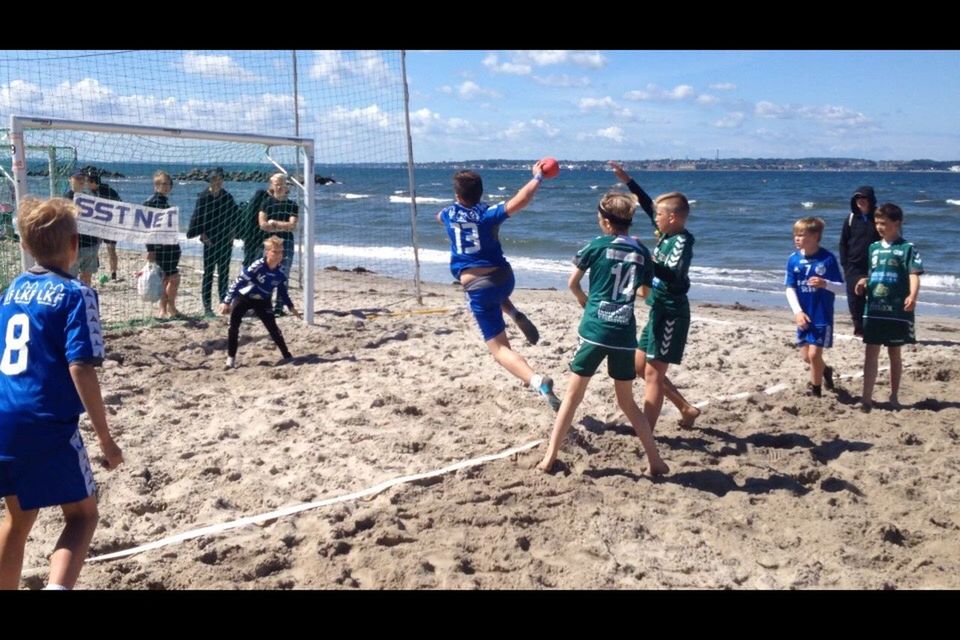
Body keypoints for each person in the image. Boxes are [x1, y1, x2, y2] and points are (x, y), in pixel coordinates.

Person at [0, 197, 123, 590]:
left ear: (24, 245)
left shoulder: (12, 289)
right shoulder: (76, 294)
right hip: (46, 423)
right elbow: (81, 366)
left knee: (19, 520)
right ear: (74, 245)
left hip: (4, 418)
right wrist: (106, 440)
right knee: (83, 516)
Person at [536, 193, 669, 476]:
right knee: (627, 401)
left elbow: (572, 282)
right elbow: (646, 293)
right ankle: (655, 460)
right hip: (624, 333)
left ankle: (549, 458)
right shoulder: (642, 252)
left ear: (606, 222)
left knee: (572, 397)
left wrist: (583, 299)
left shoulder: (595, 246)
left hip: (595, 330)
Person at [436, 161, 561, 411]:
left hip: (479, 288)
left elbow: (439, 216)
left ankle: (538, 381)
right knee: (495, 292)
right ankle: (513, 312)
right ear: (480, 193)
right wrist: (538, 177)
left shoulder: (448, 214)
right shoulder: (488, 214)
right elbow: (521, 199)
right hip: (505, 279)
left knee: (499, 349)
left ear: (457, 195)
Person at [609, 161, 700, 430]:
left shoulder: (682, 241)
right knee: (640, 366)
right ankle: (686, 408)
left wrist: (644, 254)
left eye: (660, 215)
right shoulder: (665, 232)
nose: (654, 218)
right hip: (657, 308)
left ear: (672, 218)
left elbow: (673, 273)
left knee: (653, 374)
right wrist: (628, 181)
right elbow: (650, 205)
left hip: (672, 312)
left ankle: (645, 431)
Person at [855, 203, 923, 412]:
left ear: (897, 223)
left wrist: (912, 295)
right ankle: (866, 398)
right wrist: (863, 282)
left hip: (896, 310)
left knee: (895, 353)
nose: (879, 227)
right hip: (874, 307)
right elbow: (874, 272)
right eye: (877, 223)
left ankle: (894, 396)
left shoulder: (906, 248)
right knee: (871, 353)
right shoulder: (873, 248)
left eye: (884, 223)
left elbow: (913, 274)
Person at [784, 217, 844, 397]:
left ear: (815, 236)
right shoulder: (793, 259)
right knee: (805, 357)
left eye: (801, 235)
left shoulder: (827, 259)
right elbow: (790, 288)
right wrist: (797, 312)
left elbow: (841, 287)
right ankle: (825, 371)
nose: (797, 238)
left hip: (821, 316)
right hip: (803, 316)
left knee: (814, 355)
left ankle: (816, 391)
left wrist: (825, 284)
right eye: (795, 235)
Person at [220, 236, 299, 368]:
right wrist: (226, 302)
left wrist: (290, 306)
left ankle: (287, 355)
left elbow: (282, 291)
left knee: (273, 329)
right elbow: (239, 282)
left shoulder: (280, 271)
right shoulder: (257, 266)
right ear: (267, 252)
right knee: (233, 327)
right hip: (244, 297)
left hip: (263, 300)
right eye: (275, 251)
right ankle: (230, 359)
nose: (279, 255)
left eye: (281, 252)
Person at [187, 168, 239, 316]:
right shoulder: (203, 197)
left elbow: (236, 217)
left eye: (220, 179)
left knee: (224, 273)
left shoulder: (227, 197)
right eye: (215, 179)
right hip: (209, 241)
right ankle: (207, 307)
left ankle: (224, 302)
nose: (218, 181)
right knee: (208, 274)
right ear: (210, 180)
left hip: (225, 241)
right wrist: (202, 234)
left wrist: (233, 234)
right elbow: (197, 217)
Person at [839, 186, 881, 337]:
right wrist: (845, 264)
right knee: (854, 298)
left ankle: (873, 325)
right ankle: (859, 328)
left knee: (875, 295)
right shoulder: (850, 219)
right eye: (857, 198)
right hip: (853, 266)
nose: (860, 201)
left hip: (874, 265)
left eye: (864, 198)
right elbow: (843, 242)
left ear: (870, 199)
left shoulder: (878, 218)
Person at [258, 174, 298, 315]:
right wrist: (281, 226)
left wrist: (274, 223)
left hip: (286, 243)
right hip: (269, 244)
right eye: (276, 184)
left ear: (286, 185)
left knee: (283, 276)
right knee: (267, 274)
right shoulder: (266, 203)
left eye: (282, 184)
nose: (279, 187)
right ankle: (266, 306)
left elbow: (292, 225)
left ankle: (279, 308)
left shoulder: (292, 205)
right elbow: (262, 224)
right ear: (271, 185)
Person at [143, 170, 182, 318]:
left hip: (171, 246)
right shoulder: (151, 202)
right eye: (162, 184)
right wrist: (150, 249)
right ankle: (168, 308)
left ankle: (165, 309)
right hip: (161, 248)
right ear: (155, 186)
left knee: (168, 278)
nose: (165, 187)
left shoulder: (165, 203)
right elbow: (146, 229)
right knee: (172, 278)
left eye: (167, 184)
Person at [63, 171, 100, 286]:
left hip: (91, 244)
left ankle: (84, 297)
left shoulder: (92, 196)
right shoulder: (66, 198)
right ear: (70, 179)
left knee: (87, 278)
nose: (80, 180)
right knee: (70, 278)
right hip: (73, 246)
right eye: (77, 178)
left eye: (82, 178)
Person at [85, 172, 121, 281]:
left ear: (93, 182)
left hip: (110, 226)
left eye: (88, 182)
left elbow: (120, 206)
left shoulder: (110, 192)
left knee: (111, 249)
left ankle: (113, 274)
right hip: (96, 225)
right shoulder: (88, 192)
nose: (86, 184)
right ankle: (92, 269)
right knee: (93, 249)